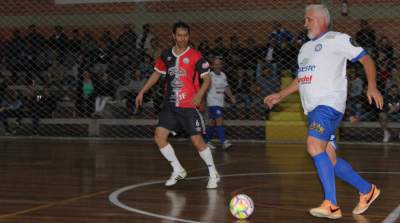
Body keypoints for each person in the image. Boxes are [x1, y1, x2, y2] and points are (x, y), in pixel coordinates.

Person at [264, 4, 383, 219]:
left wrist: (372, 85)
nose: (304, 23)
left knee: (313, 145)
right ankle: (368, 190)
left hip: (328, 105)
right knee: (331, 160)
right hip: (312, 111)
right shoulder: (304, 49)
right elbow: (302, 78)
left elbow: (366, 58)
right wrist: (280, 95)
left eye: (308, 19)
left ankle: (331, 204)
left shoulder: (337, 39)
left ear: (320, 19)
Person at [135, 21, 220, 189]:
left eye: (186, 35)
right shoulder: (166, 55)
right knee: (159, 137)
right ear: (173, 36)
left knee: (197, 141)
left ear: (189, 37)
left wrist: (199, 95)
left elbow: (207, 79)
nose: (183, 38)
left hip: (188, 105)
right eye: (180, 35)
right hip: (170, 105)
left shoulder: (196, 55)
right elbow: (156, 74)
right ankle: (178, 169)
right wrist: (142, 91)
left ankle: (213, 173)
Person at [204, 58, 235, 150]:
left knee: (211, 123)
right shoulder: (209, 75)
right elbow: (204, 87)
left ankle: (206, 142)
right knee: (219, 120)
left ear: (221, 65)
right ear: (212, 66)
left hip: (220, 102)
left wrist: (231, 96)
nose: (217, 66)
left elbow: (226, 87)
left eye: (219, 64)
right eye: (215, 64)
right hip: (212, 102)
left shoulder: (223, 75)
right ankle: (223, 141)